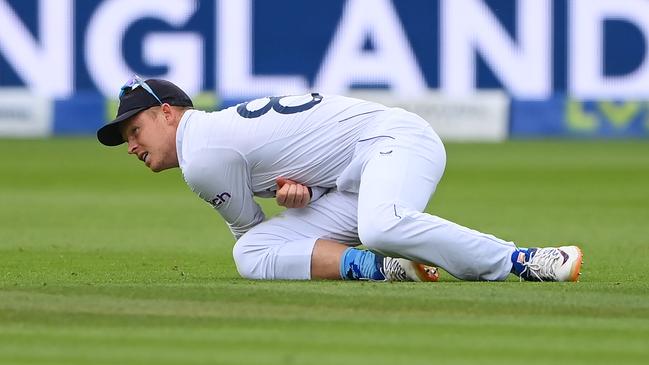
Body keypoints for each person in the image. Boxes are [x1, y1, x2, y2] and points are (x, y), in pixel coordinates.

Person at [97, 75, 583, 282]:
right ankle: (384, 269)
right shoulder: (208, 138)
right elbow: (264, 241)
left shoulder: (200, 154)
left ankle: (524, 260)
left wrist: (303, 204)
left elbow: (254, 226)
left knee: (381, 227)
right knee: (250, 256)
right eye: (126, 140)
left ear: (167, 113)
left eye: (135, 130)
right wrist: (306, 196)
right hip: (352, 177)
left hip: (395, 140)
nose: (133, 146)